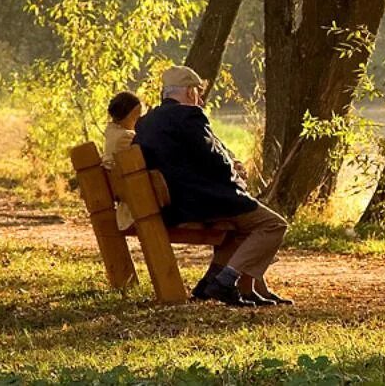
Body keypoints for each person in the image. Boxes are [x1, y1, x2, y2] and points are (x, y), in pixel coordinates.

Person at [133, 65, 291, 307]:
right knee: (273, 224)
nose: (199, 96)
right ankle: (225, 281)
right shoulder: (189, 115)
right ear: (188, 92)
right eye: (196, 90)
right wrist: (234, 171)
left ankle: (210, 282)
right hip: (202, 202)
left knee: (241, 228)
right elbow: (214, 160)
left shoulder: (145, 122)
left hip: (171, 203)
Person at [102, 91, 143, 231]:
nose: (139, 118)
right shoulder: (125, 138)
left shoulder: (113, 134)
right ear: (125, 115)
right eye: (136, 114)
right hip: (132, 201)